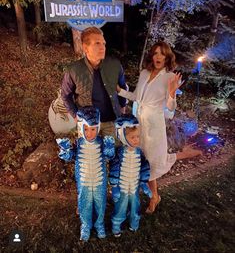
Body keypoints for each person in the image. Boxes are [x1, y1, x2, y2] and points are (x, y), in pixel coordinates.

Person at [117, 42, 200, 214]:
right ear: (151, 56)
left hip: (154, 128)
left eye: (162, 54)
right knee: (140, 162)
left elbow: (169, 112)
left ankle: (154, 196)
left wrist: (171, 94)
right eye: (155, 53)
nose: (158, 57)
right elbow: (136, 97)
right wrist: (119, 91)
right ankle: (147, 195)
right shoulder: (144, 73)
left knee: (151, 165)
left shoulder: (169, 77)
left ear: (167, 57)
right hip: (139, 124)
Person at [56, 106, 115, 241]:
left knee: (100, 202)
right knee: (85, 202)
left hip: (99, 180)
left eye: (93, 129)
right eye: (86, 129)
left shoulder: (101, 142)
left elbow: (109, 156)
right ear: (81, 127)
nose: (90, 133)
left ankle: (99, 224)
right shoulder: (78, 143)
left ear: (98, 127)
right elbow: (70, 156)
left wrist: (110, 147)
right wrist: (65, 149)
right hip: (84, 181)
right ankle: (86, 225)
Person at [61, 27, 127, 137]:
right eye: (97, 43)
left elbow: (122, 88)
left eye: (103, 44)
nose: (103, 48)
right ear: (85, 48)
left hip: (111, 122)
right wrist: (76, 116)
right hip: (87, 125)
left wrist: (122, 108)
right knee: (89, 154)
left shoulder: (115, 65)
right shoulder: (73, 70)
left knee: (111, 153)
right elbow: (65, 95)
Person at [109, 114, 152, 237]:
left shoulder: (140, 153)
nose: (136, 140)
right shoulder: (118, 154)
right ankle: (116, 225)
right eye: (132, 137)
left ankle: (134, 223)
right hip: (122, 188)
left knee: (135, 207)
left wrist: (144, 185)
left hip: (134, 188)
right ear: (122, 136)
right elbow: (114, 170)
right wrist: (115, 187)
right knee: (120, 208)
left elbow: (144, 168)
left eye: (138, 136)